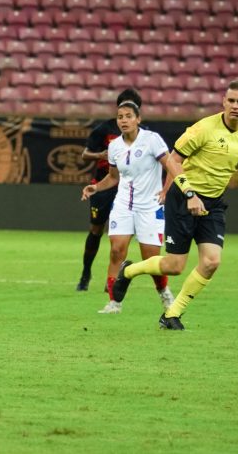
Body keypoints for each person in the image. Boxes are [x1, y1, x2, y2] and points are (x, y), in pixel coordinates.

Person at [112, 79, 238, 330]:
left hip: (212, 204)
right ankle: (128, 271)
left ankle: (172, 314)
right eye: (231, 100)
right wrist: (190, 193)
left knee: (212, 261)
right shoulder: (203, 128)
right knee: (174, 266)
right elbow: (174, 160)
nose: (235, 106)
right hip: (184, 198)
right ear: (224, 101)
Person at [81, 99, 175, 314]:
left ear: (138, 119)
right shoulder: (114, 146)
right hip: (123, 205)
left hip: (150, 206)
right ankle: (114, 302)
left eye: (128, 116)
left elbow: (171, 165)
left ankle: (164, 292)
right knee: (116, 251)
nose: (124, 120)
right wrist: (96, 188)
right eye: (120, 117)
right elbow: (113, 177)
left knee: (151, 259)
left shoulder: (152, 140)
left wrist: (165, 191)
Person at [76, 88, 142, 291]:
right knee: (96, 230)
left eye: (132, 110)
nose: (126, 115)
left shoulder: (144, 135)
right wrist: (101, 155)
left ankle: (111, 279)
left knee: (121, 234)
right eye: (123, 109)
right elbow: (85, 154)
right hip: (104, 185)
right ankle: (86, 272)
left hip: (127, 187)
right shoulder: (104, 130)